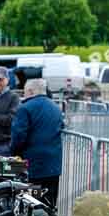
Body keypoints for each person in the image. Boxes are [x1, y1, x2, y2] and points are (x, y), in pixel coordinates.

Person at [10, 78, 64, 208]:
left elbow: (19, 136)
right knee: (50, 202)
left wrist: (13, 153)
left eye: (24, 92)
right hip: (53, 164)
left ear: (30, 91)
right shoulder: (56, 107)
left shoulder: (25, 108)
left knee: (32, 202)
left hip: (33, 165)